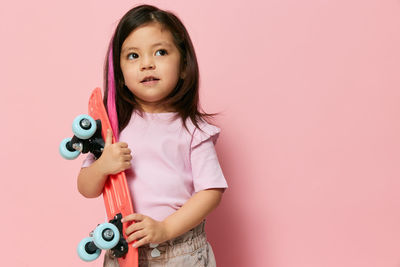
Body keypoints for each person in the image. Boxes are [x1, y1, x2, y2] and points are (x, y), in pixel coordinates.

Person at [77, 4, 228, 267]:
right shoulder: (112, 128)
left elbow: (211, 191)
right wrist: (103, 166)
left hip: (179, 252)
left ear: (183, 66)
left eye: (160, 52)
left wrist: (165, 229)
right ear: (119, 74)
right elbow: (86, 187)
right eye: (133, 56)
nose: (147, 64)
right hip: (124, 250)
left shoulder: (193, 130)